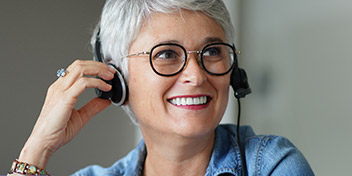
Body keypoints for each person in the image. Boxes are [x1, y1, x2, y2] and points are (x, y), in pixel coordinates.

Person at [9, 0, 314, 175]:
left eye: (212, 51)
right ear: (115, 78)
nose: (196, 76)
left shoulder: (272, 165)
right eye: (167, 54)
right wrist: (37, 150)